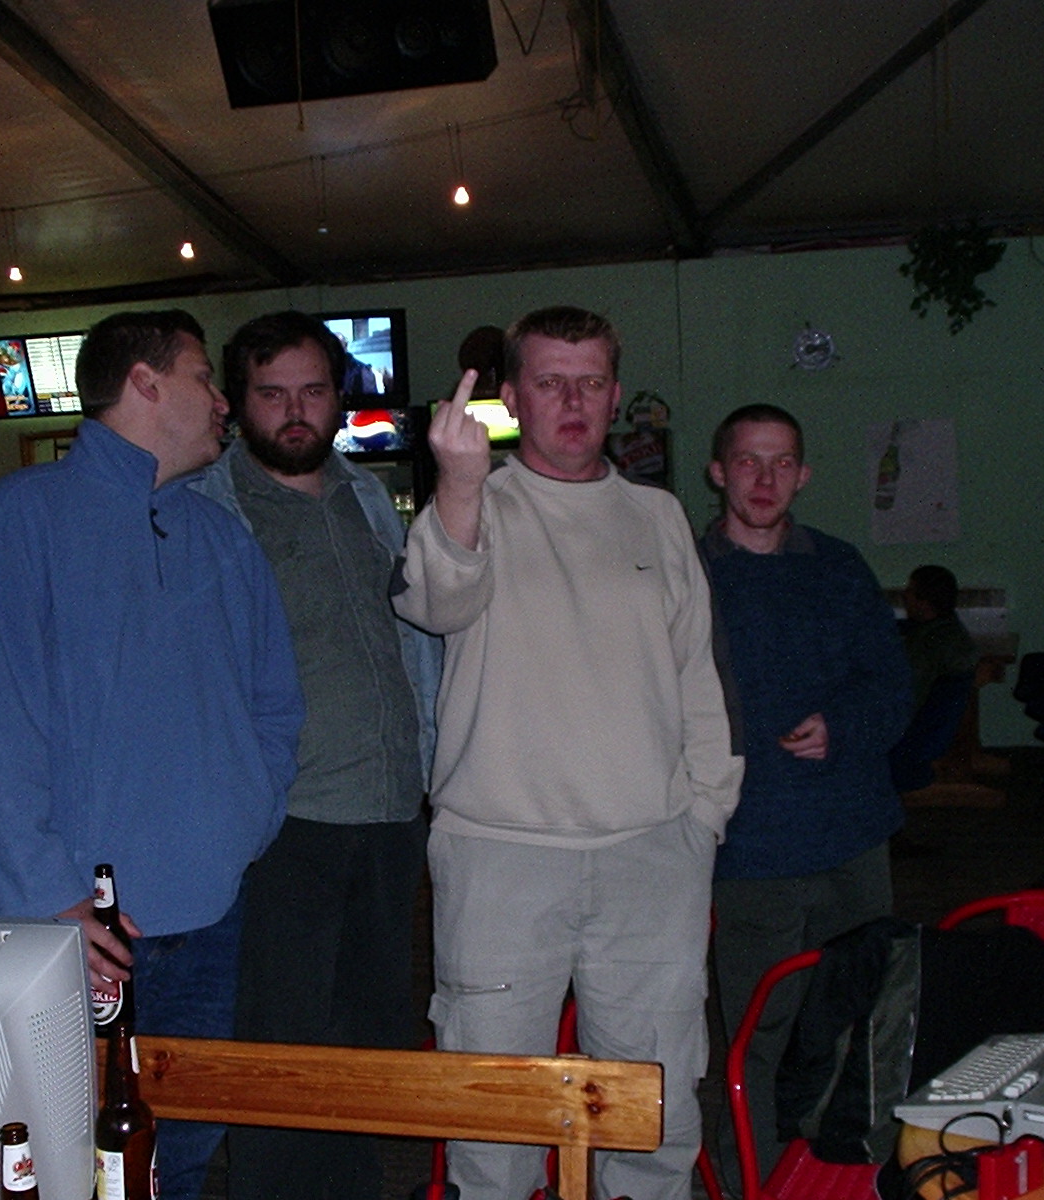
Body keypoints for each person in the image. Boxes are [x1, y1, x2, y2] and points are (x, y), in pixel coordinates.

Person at [0, 309, 304, 1200]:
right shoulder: (17, 522)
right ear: (145, 383)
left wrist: (241, 826)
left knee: (181, 1152)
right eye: (204, 377)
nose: (223, 401)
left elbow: (275, 707)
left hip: (209, 915)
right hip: (73, 928)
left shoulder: (223, 540)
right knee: (62, 1153)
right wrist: (47, 900)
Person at [392, 305, 744, 1200]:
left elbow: (698, 677)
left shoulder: (659, 516)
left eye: (591, 382)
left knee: (653, 1104)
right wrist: (459, 481)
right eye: (550, 382)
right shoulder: (475, 506)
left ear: (616, 396)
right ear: (511, 399)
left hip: (652, 856)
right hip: (499, 858)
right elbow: (435, 599)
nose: (573, 401)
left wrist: (705, 815)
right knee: (494, 1110)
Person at [192, 310, 440, 1200]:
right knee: (282, 1049)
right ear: (237, 402)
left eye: (312, 391)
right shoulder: (203, 511)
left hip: (390, 812)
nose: (295, 411)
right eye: (273, 394)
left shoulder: (367, 497)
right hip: (284, 824)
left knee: (367, 1042)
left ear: (340, 396)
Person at [698, 403, 913, 1182]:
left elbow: (891, 684)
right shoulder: (687, 573)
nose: (765, 479)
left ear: (804, 475)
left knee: (865, 1024)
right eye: (748, 462)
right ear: (718, 473)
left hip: (852, 839)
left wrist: (842, 725)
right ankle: (750, 1181)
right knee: (754, 1038)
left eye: (782, 462)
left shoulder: (839, 567)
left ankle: (853, 1177)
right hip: (749, 848)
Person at [900, 564, 979, 706]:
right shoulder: (950, 632)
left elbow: (908, 696)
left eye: (910, 591)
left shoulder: (928, 646)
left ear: (924, 602)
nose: (904, 595)